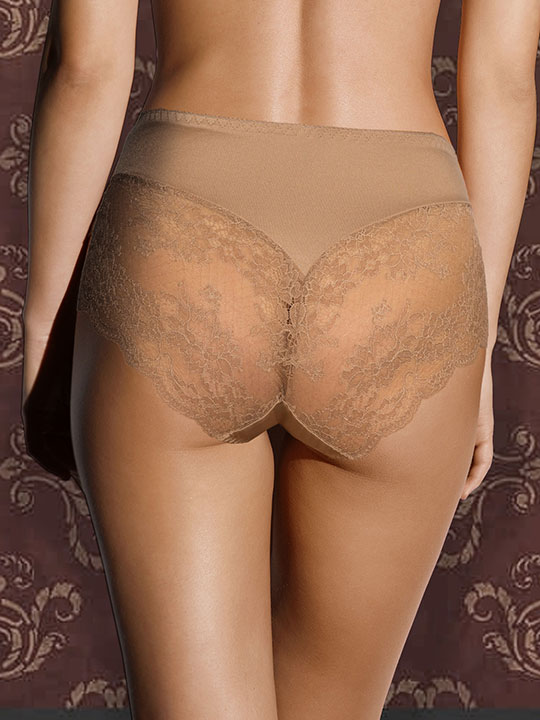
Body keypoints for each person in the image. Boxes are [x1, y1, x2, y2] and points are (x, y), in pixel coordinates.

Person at [22, 0, 539, 718]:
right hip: (407, 257)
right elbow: (504, 79)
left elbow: (85, 67)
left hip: (183, 232)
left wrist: (46, 327)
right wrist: (473, 344)